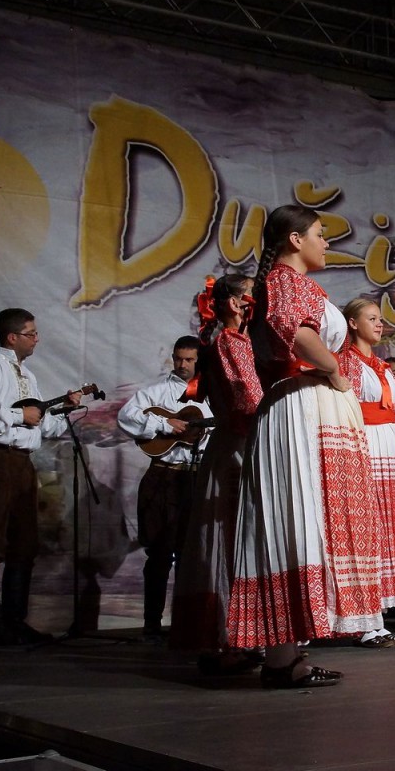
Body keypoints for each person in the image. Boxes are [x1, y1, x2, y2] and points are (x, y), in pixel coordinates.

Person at [227, 204, 380, 687]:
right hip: (299, 404)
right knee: (298, 513)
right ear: (295, 239)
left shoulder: (293, 283)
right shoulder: (284, 281)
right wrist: (334, 370)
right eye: (319, 233)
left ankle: (287, 654)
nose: (326, 242)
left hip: (310, 402)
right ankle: (280, 657)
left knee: (307, 519)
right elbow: (298, 334)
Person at [0, 308, 81, 645]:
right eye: (31, 333)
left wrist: (64, 412)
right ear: (12, 337)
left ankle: (14, 622)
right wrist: (19, 415)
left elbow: (41, 425)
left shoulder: (28, 375)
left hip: (22, 462)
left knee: (24, 542)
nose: (37, 339)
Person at [169, 276, 264, 673]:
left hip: (240, 442)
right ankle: (224, 639)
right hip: (237, 446)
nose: (255, 303)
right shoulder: (229, 342)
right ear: (232, 303)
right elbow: (248, 398)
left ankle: (239, 637)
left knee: (238, 537)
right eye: (249, 296)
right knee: (229, 536)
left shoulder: (238, 342)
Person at [337, 298, 395, 646]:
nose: (379, 323)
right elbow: (344, 410)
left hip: (390, 448)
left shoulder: (383, 366)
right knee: (367, 526)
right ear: (352, 323)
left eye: (380, 318)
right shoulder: (345, 361)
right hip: (365, 444)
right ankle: (362, 618)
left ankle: (378, 616)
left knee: (388, 526)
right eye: (371, 318)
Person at [116, 336, 212, 639]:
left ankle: (185, 623)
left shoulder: (212, 395)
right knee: (159, 553)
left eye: (189, 360)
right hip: (163, 476)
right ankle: (152, 624)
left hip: (196, 478)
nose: (182, 365)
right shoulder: (156, 392)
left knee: (190, 555)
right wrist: (163, 424)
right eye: (178, 358)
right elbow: (126, 417)